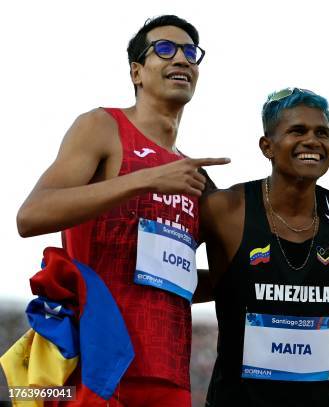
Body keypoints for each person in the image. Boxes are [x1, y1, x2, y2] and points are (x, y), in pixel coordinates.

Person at [16, 15, 228, 406]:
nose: (181, 58)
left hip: (169, 371)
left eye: (190, 52)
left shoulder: (191, 175)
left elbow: (171, 276)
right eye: (164, 49)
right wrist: (145, 179)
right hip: (98, 363)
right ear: (137, 72)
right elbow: (30, 216)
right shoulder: (103, 127)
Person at [199, 88, 329, 406]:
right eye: (297, 130)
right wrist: (228, 285)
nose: (312, 140)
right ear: (266, 146)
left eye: (321, 132)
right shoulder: (225, 211)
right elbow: (167, 274)